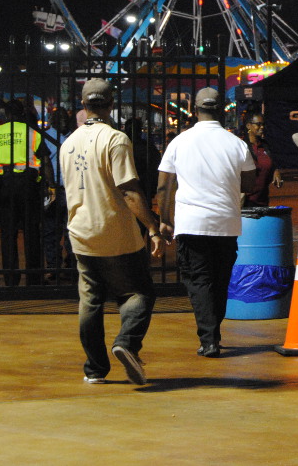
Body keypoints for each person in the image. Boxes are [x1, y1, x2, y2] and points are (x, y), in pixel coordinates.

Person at [61, 79, 168, 385]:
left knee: (90, 300)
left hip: (80, 233)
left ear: (83, 105)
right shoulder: (116, 139)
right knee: (139, 292)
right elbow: (130, 191)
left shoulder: (68, 144)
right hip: (116, 231)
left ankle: (95, 369)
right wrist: (152, 227)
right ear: (111, 105)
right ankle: (127, 343)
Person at [157, 87, 256, 357]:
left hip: (191, 224)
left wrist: (164, 220)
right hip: (226, 223)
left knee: (199, 280)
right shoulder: (235, 143)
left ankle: (209, 338)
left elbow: (164, 186)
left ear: (194, 110)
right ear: (221, 108)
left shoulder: (179, 142)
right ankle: (213, 332)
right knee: (220, 279)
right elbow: (249, 182)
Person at [0, 98, 53, 286]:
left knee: (7, 234)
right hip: (28, 187)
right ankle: (34, 279)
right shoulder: (32, 134)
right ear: (22, 113)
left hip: (3, 187)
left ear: (6, 114)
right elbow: (45, 161)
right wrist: (50, 185)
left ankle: (11, 279)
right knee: (31, 233)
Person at [42, 107, 74, 279]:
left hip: (68, 188)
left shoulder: (70, 136)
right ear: (53, 119)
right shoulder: (68, 136)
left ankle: (66, 265)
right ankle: (56, 265)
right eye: (59, 117)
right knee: (54, 230)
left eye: (64, 117)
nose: (63, 121)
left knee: (69, 230)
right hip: (55, 189)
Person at [241, 112, 283, 207]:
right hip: (245, 203)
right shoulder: (242, 147)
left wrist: (275, 171)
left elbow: (269, 164)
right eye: (258, 124)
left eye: (263, 124)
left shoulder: (265, 146)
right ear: (248, 126)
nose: (262, 127)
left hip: (263, 201)